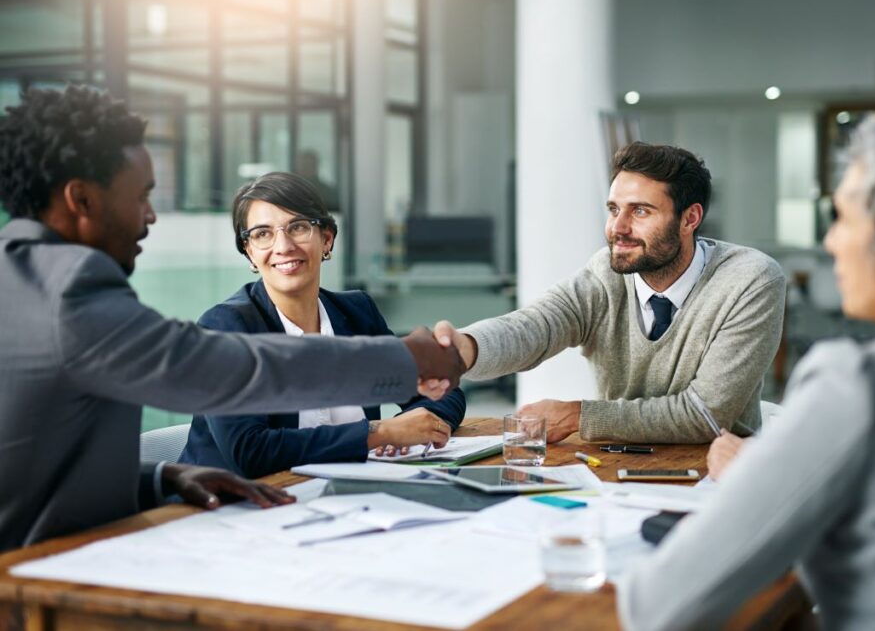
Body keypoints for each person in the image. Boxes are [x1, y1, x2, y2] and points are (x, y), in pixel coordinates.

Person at [0, 85, 462, 550]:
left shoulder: (20, 275)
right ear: (81, 200)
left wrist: (161, 477)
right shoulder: (70, 287)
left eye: (299, 227)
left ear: (326, 238)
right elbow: (232, 369)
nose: (151, 216)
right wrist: (405, 361)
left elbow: (36, 457)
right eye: (141, 196)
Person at [618, 119, 875, 630]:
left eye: (844, 218)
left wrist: (761, 483)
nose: (831, 242)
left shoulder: (859, 385)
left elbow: (658, 605)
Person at [435, 142, 785, 443]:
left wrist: (579, 416)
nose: (618, 228)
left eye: (640, 211)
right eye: (614, 209)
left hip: (719, 472)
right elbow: (534, 327)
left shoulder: (749, 280)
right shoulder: (606, 273)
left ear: (689, 219)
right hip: (618, 464)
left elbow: (706, 413)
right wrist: (465, 349)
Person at [178, 172, 466, 478]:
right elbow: (249, 451)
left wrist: (422, 420)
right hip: (231, 501)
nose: (283, 246)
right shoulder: (226, 326)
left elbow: (442, 389)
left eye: (298, 227)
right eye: (262, 234)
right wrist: (381, 433)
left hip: (338, 493)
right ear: (249, 251)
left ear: (326, 238)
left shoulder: (356, 312)